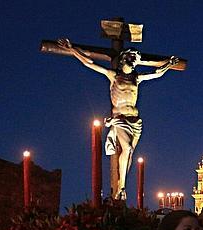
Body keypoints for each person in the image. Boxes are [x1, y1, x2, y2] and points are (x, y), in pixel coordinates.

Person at [57, 38, 178, 199]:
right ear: (123, 59)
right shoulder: (114, 75)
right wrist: (72, 49)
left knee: (130, 153)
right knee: (126, 149)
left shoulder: (137, 78)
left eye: (136, 59)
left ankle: (123, 184)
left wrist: (169, 64)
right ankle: (121, 188)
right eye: (131, 58)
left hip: (136, 120)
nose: (134, 61)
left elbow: (156, 74)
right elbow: (90, 63)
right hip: (120, 117)